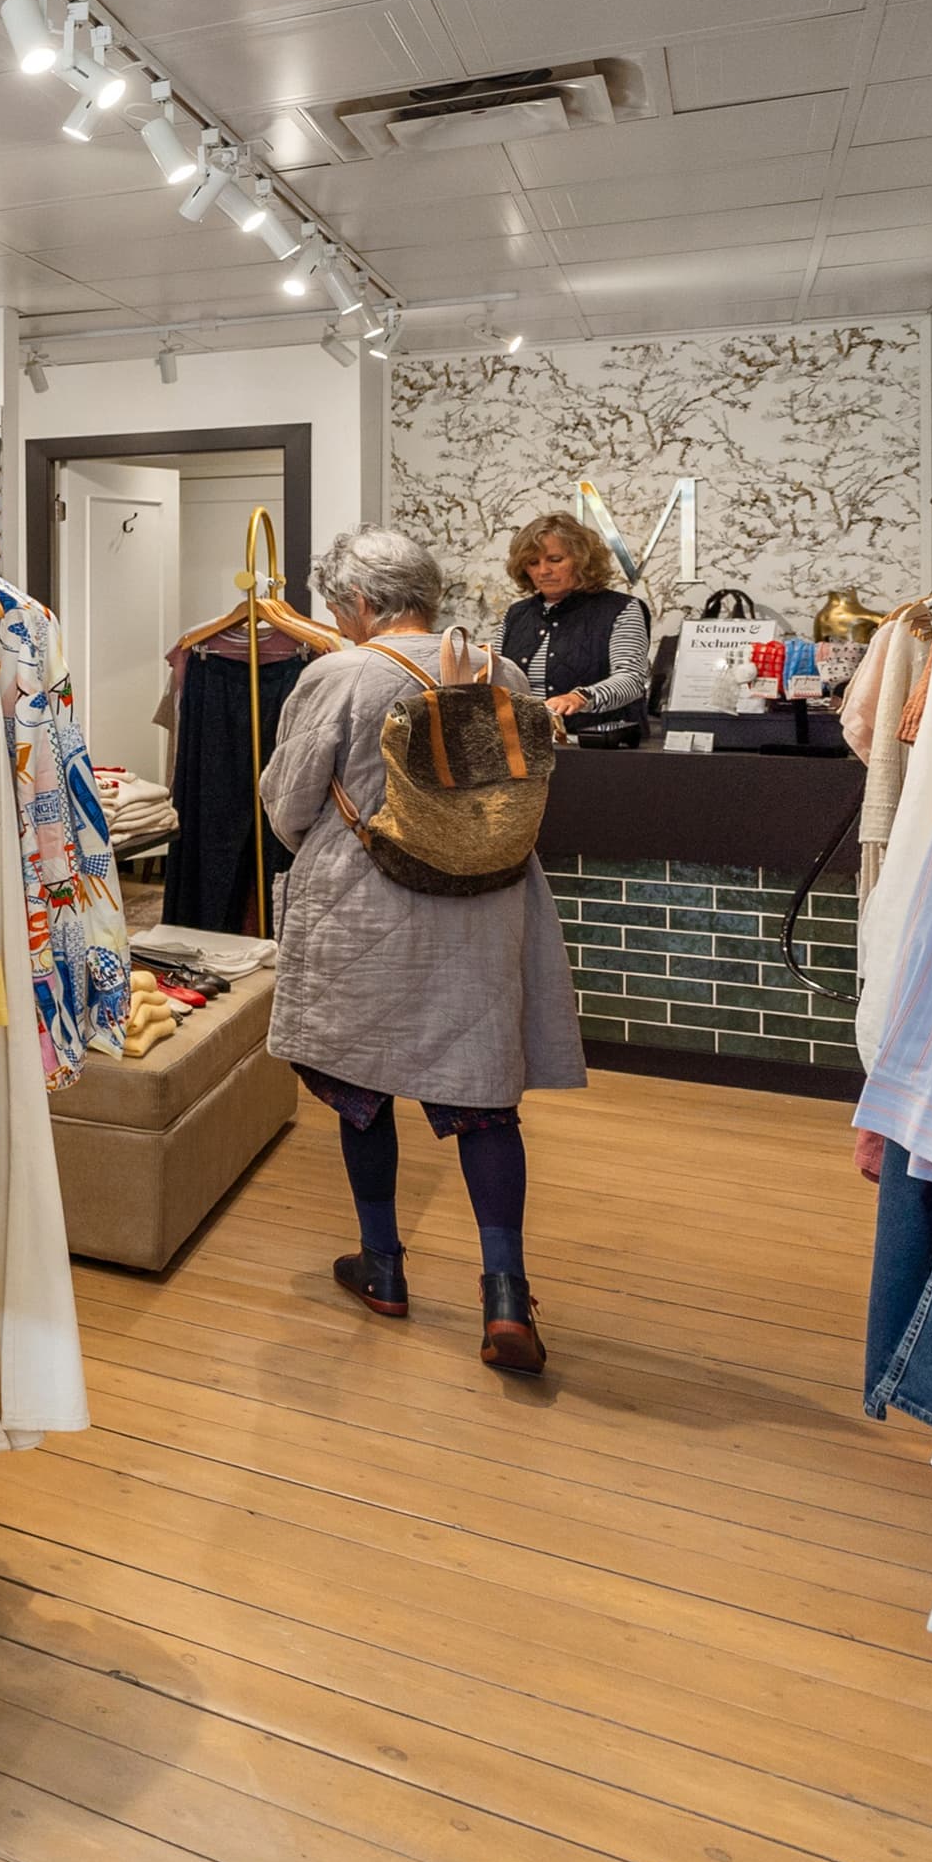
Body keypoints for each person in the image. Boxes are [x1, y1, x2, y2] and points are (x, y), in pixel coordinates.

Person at [268, 528, 587, 1373]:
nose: (339, 621)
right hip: (488, 903)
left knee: (359, 1084)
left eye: (340, 607)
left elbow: (291, 802)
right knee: (483, 1097)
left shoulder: (336, 675)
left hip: (368, 905)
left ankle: (382, 1269)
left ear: (363, 603)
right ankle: (507, 1296)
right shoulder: (501, 671)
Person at [499, 512, 649, 741]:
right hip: (527, 749)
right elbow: (497, 676)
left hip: (600, 751)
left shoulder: (622, 609)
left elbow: (631, 679)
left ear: (583, 561)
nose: (543, 570)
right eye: (532, 563)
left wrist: (581, 698)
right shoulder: (515, 614)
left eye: (555, 560)